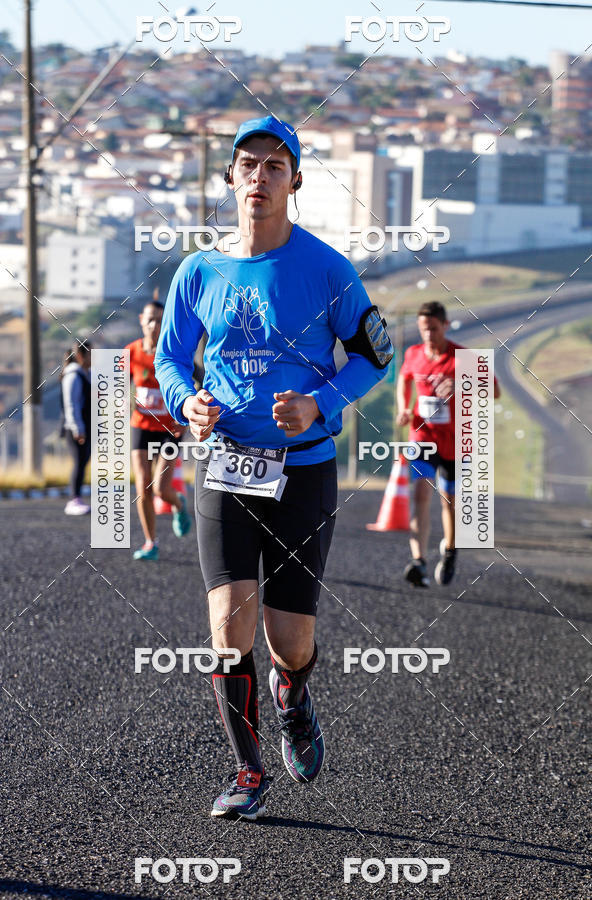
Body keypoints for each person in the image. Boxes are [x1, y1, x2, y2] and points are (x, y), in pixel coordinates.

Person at [155, 115, 392, 820]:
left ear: (294, 182)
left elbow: (375, 356)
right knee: (227, 623)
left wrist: (320, 403)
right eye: (247, 165)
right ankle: (247, 771)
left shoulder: (325, 267)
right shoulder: (199, 270)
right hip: (226, 468)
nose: (259, 178)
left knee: (289, 641)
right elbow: (171, 358)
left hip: (304, 471)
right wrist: (187, 402)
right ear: (230, 177)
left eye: (274, 167)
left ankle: (294, 694)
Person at [396, 301, 500, 588]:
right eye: (422, 329)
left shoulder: (462, 357)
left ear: (444, 325)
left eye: (432, 328)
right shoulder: (414, 354)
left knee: (449, 502)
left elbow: (495, 390)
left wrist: (463, 383)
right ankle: (418, 561)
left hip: (456, 442)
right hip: (422, 437)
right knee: (421, 495)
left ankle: (451, 551)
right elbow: (403, 381)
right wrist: (405, 408)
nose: (427, 334)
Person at [126, 300, 191, 561]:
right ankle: (150, 542)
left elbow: (193, 383)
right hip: (141, 426)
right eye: (150, 319)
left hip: (168, 429)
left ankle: (178, 505)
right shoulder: (131, 351)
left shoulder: (172, 352)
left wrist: (185, 416)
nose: (154, 325)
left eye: (160, 321)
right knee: (142, 486)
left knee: (161, 490)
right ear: (142, 319)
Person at [60, 340, 92, 516]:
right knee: (79, 463)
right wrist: (77, 428)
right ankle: (74, 500)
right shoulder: (73, 376)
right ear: (81, 356)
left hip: (85, 426)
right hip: (76, 428)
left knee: (82, 462)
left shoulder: (86, 374)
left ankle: (76, 498)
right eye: (90, 353)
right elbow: (70, 404)